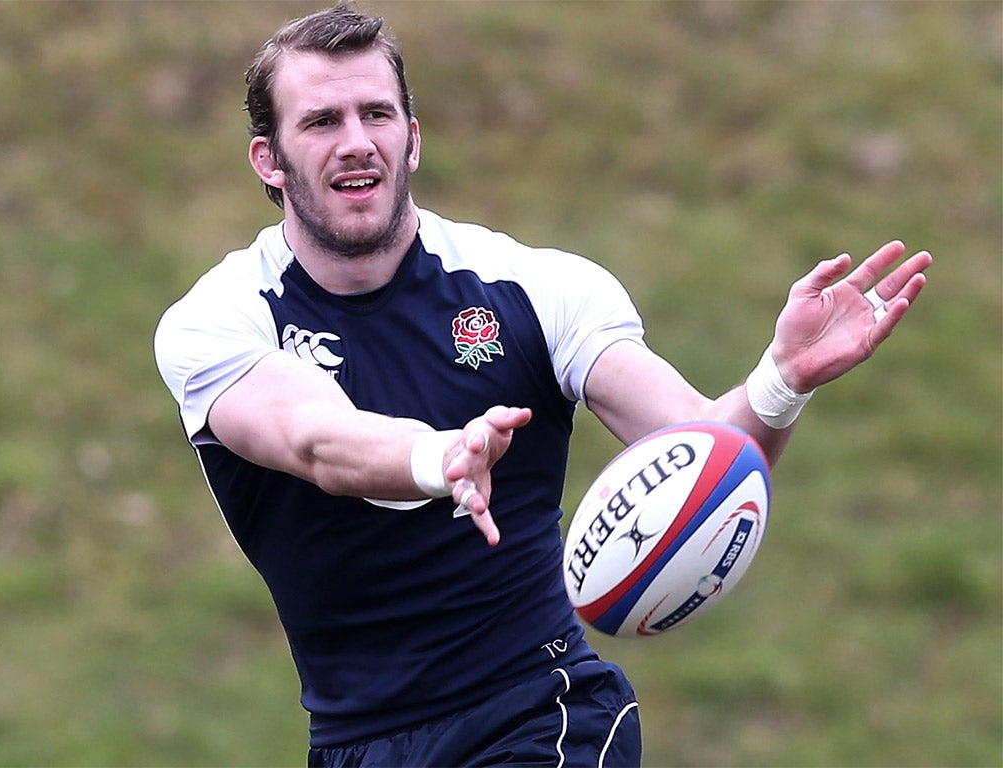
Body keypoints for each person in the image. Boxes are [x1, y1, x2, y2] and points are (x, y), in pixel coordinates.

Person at [153, 4, 931, 766]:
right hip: (354, 744)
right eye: (322, 122)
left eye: (377, 115)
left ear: (413, 139)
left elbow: (706, 454)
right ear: (269, 159)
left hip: (541, 716)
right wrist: (440, 459)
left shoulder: (535, 288)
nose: (357, 143)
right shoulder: (220, 320)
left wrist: (780, 382)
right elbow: (313, 437)